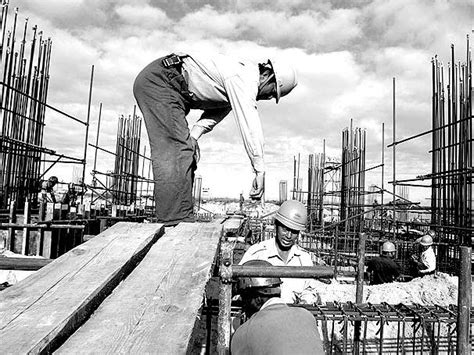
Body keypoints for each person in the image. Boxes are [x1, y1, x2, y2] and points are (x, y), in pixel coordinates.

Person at [133, 53, 297, 225]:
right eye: (272, 92)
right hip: (161, 82)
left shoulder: (237, 85)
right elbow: (250, 125)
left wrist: (194, 136)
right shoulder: (243, 78)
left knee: (185, 152)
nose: (269, 97)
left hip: (170, 86)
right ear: (267, 75)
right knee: (175, 153)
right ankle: (174, 224)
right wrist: (260, 170)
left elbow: (215, 114)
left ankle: (179, 220)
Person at [231, 260, 324, 355]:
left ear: (257, 299)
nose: (244, 306)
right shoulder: (306, 316)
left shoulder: (244, 332)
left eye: (244, 299)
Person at [239, 200, 319, 304]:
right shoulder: (257, 254)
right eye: (285, 229)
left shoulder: (303, 259)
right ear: (276, 226)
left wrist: (305, 300)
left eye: (294, 231)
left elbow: (310, 290)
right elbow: (239, 286)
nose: (289, 236)